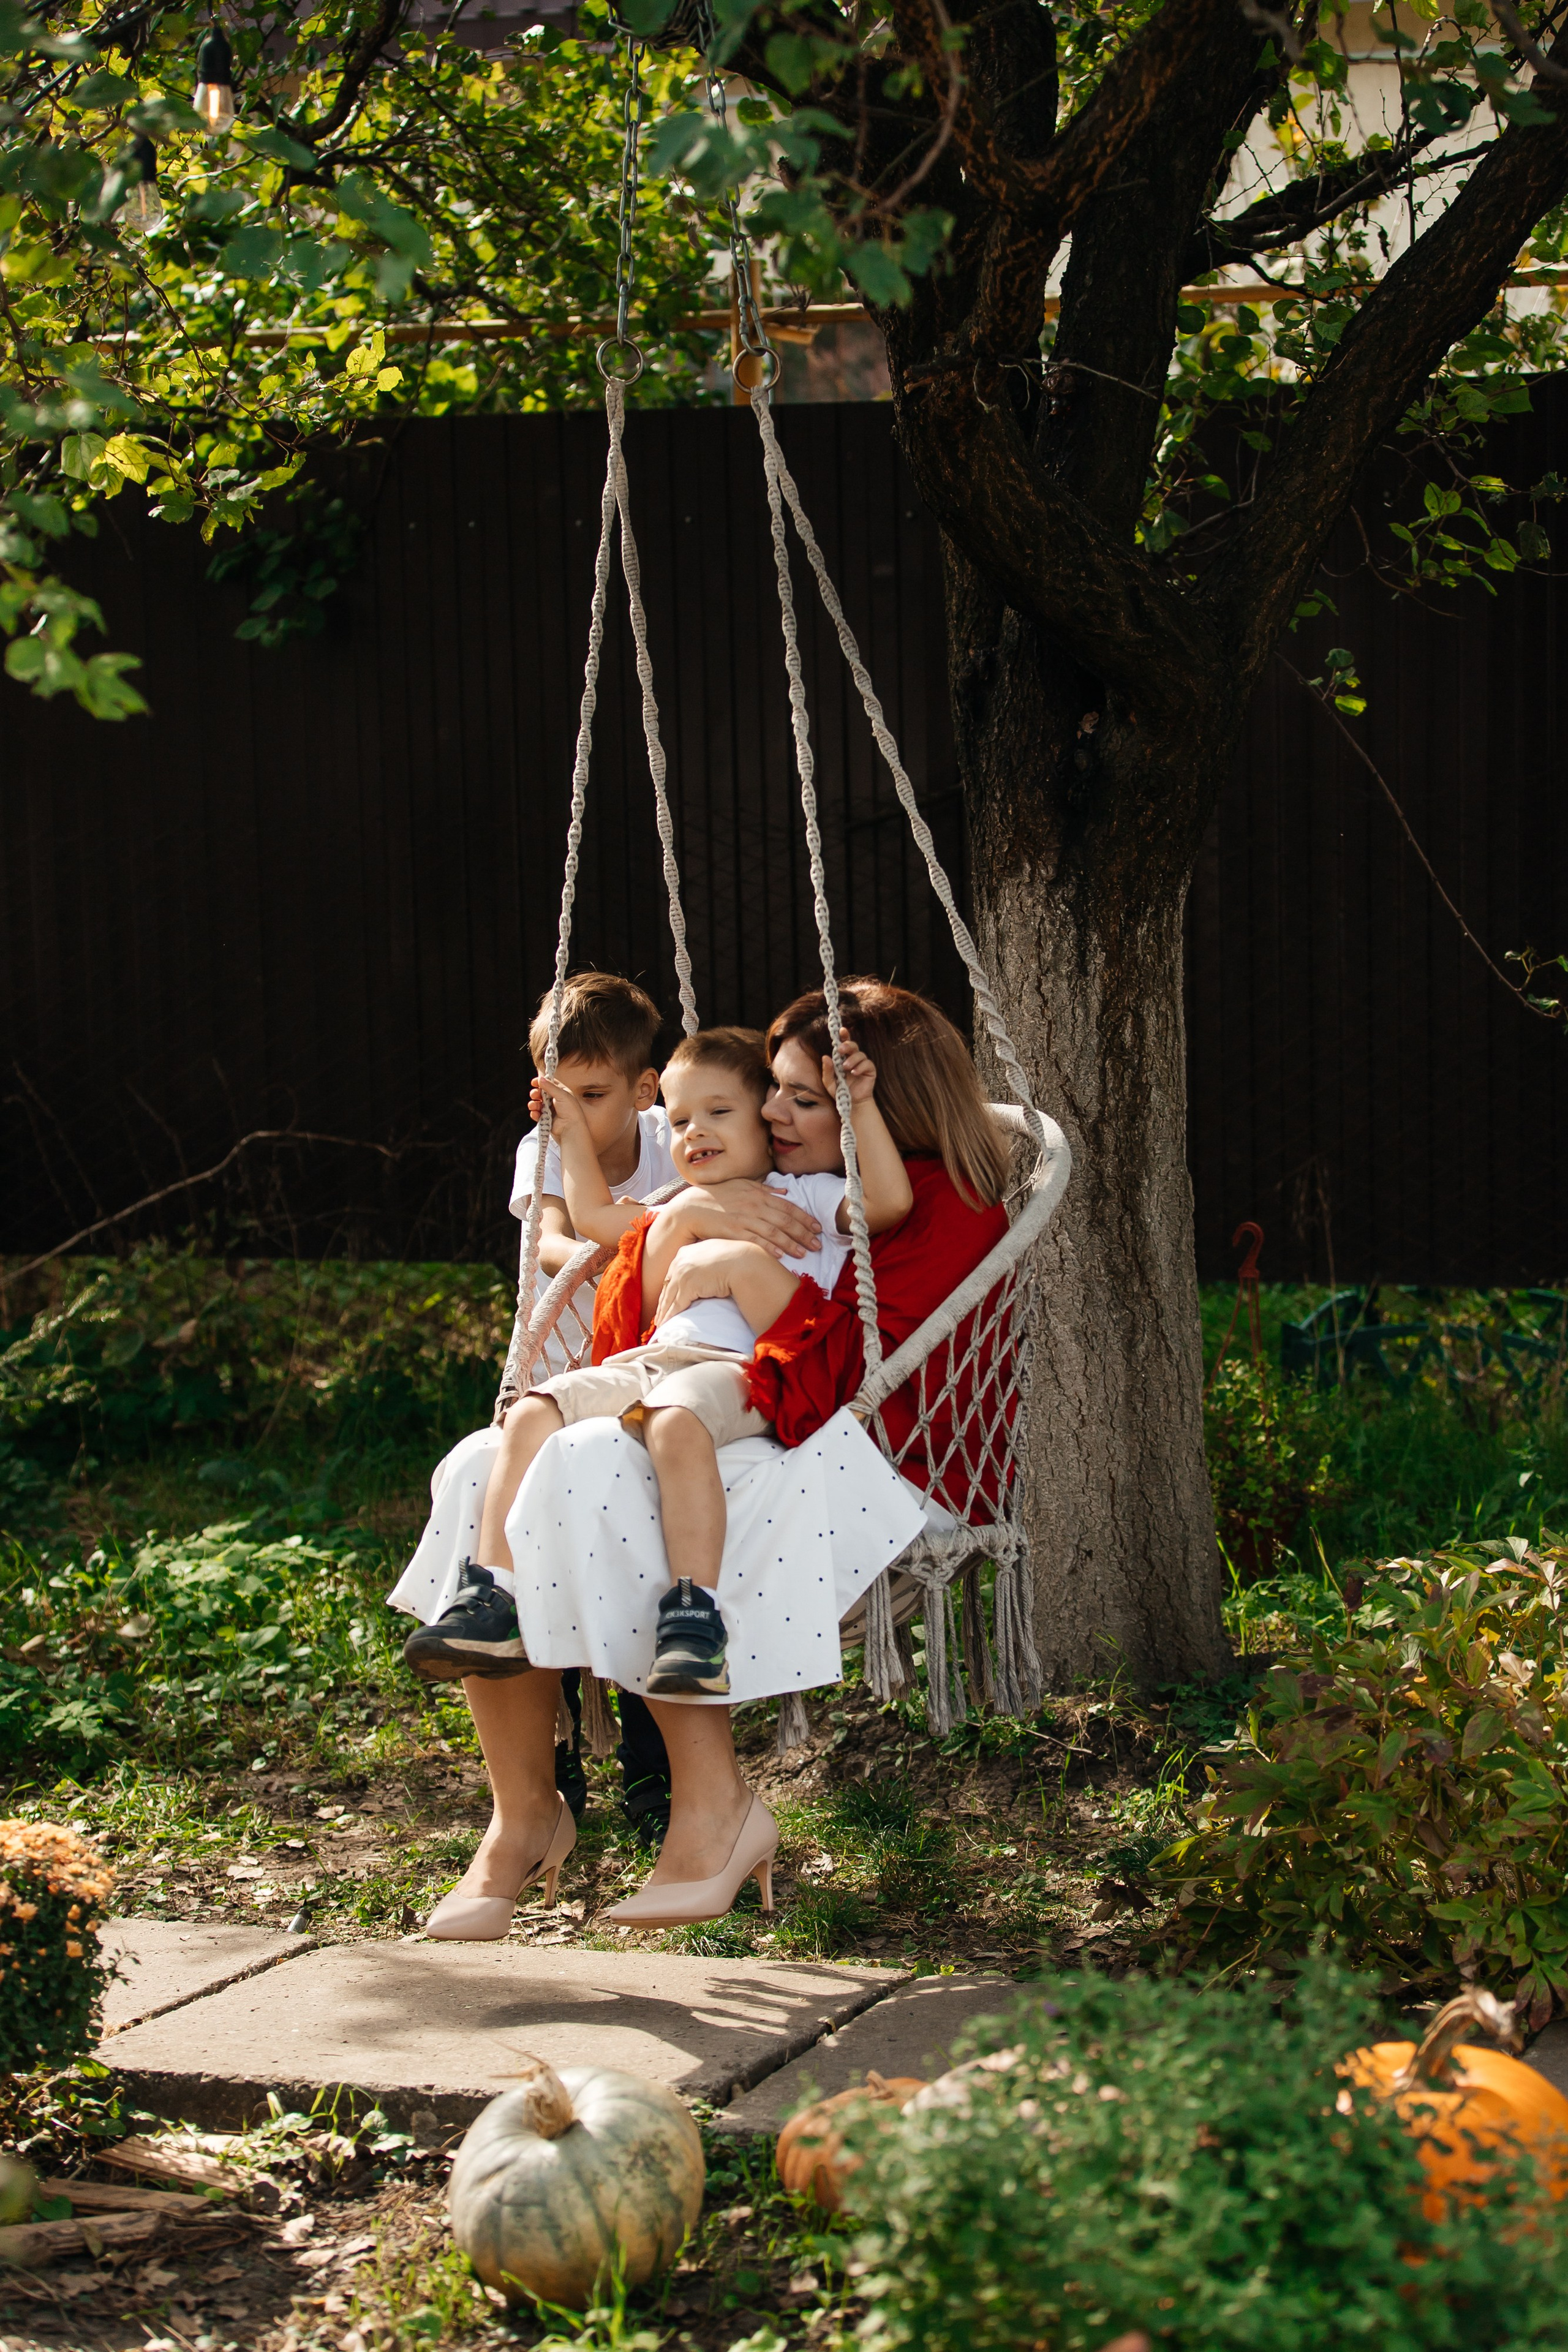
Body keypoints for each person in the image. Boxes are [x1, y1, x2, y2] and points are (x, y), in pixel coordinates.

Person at [388, 979, 1011, 1939]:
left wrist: (733, 1263)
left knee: (596, 1468)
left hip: (832, 1432)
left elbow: (846, 1372)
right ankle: (523, 1815)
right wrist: (682, 1225)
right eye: (778, 1091)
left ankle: (714, 1812)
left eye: (806, 1097)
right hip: (703, 1388)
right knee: (486, 1462)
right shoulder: (730, 1185)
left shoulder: (922, 1202)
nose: (773, 1111)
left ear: (880, 1099)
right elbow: (629, 1327)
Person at [405, 1025, 911, 1700]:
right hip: (654, 1361)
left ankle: (694, 1618)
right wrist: (569, 1133)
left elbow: (888, 1202)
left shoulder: (808, 1195)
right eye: (678, 1121)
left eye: (719, 1113)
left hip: (741, 1370)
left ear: (767, 1123)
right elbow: (589, 1215)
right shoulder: (671, 1207)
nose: (694, 1133)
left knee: (675, 1420)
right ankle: (491, 1594)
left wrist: (860, 1104)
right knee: (534, 1409)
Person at [408, 968, 677, 1834]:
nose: (572, 1114)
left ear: (644, 1090)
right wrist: (633, 1236)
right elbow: (555, 1239)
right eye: (555, 1097)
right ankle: (549, 1751)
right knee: (520, 1528)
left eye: (593, 1095)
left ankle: (654, 1765)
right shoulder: (548, 1148)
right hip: (558, 1377)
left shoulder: (681, 1139)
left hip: (649, 1379)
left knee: (631, 1542)